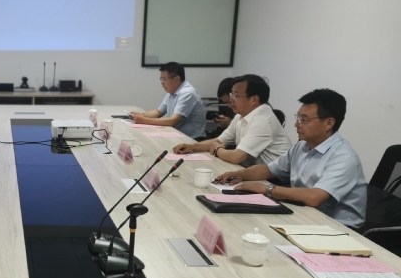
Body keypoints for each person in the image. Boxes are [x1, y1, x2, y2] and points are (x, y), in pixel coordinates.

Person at [215, 88, 367, 228]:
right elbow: (269, 170)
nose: (296, 124)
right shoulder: (302, 146)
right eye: (298, 117)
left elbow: (314, 197)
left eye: (304, 119)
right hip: (304, 215)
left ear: (328, 123)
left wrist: (268, 189)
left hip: (338, 228)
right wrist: (240, 174)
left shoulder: (343, 157)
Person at [174, 74, 291, 166]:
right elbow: (220, 140)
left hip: (274, 180)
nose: (231, 100)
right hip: (252, 170)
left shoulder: (262, 121)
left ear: (254, 99)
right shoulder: (241, 115)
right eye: (232, 95)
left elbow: (237, 157)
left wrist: (217, 150)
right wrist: (191, 147)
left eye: (236, 96)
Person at [129, 62, 206, 140]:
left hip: (192, 140)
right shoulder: (172, 92)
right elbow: (158, 112)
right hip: (177, 135)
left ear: (176, 79)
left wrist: (144, 120)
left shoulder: (188, 93)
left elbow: (173, 121)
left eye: (164, 79)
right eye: (161, 79)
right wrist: (140, 115)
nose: (162, 83)